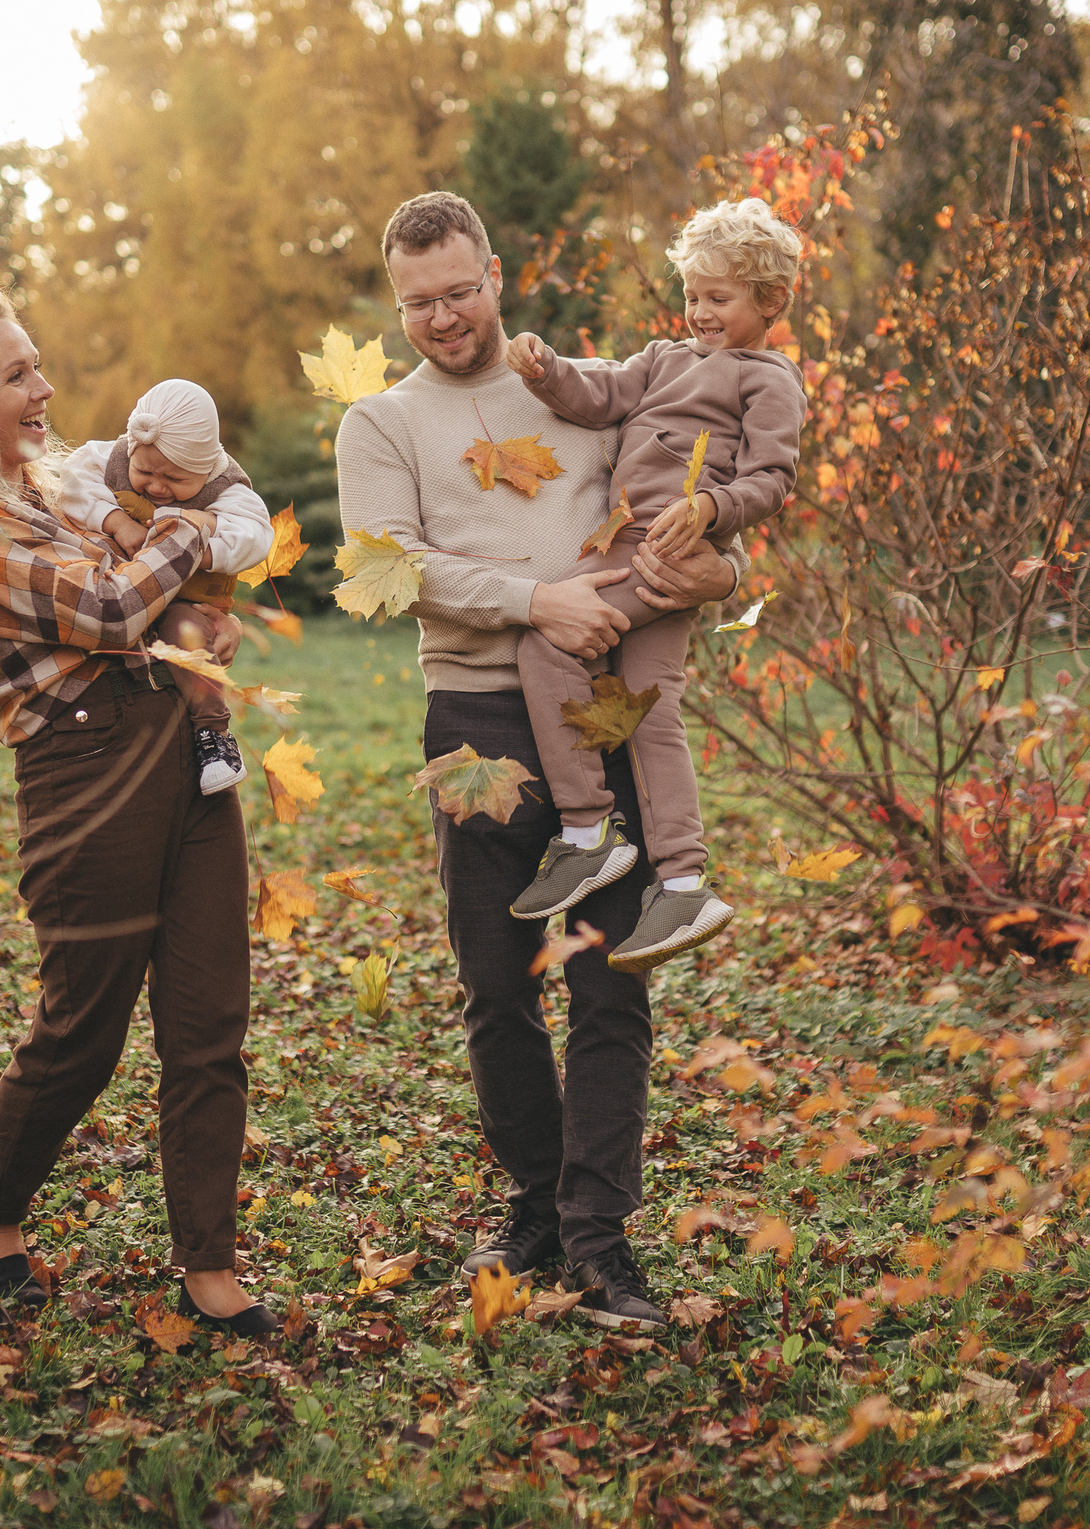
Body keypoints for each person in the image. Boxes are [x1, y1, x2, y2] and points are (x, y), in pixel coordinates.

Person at [333, 191, 744, 1331]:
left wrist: (723, 572)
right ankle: (534, 1208)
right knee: (495, 986)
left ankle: (601, 1237)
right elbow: (390, 564)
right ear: (397, 303)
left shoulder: (589, 386)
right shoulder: (380, 424)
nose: (443, 317)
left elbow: (688, 518)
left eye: (460, 291)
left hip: (602, 713)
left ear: (495, 272)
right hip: (471, 721)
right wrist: (534, 602)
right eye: (419, 303)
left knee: (608, 984)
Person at [0, 283, 277, 1336]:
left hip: (178, 745)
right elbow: (107, 606)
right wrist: (193, 533)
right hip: (82, 773)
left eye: (37, 366)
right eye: (16, 374)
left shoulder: (46, 487)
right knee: (82, 1030)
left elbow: (150, 592)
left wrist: (193, 605)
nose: (45, 389)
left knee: (209, 1019)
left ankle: (208, 1266)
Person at [502, 198, 804, 970]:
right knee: (648, 715)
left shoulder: (769, 380)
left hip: (662, 556)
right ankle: (682, 881)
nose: (699, 311)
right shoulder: (662, 359)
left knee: (545, 647)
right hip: (629, 546)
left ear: (771, 301)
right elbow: (596, 396)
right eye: (693, 295)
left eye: (720, 298)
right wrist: (546, 370)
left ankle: (585, 832)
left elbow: (772, 479)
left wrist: (711, 507)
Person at [52, 377, 276, 796]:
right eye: (145, 471)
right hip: (118, 589)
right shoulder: (110, 458)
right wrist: (115, 521)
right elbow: (72, 483)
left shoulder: (224, 486)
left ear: (206, 466)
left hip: (185, 601)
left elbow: (256, 534)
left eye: (174, 479)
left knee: (186, 636)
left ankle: (213, 735)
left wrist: (202, 545)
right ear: (131, 447)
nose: (156, 487)